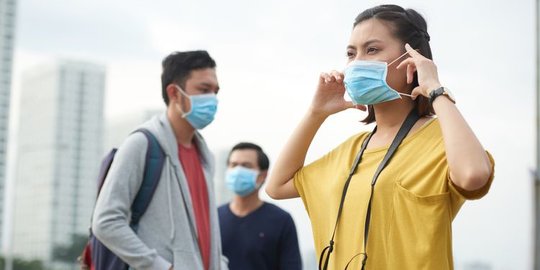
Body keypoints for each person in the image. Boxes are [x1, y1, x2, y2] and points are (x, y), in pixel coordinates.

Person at [266, 5, 495, 270]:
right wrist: (315, 114)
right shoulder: (352, 150)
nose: (357, 62)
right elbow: (277, 186)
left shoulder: (442, 140)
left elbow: (473, 175)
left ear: (412, 59)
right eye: (351, 53)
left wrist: (435, 89)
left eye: (372, 50)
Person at [92, 50, 228, 270]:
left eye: (215, 91)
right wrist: (161, 267)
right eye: (203, 90)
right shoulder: (142, 144)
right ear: (174, 93)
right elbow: (105, 221)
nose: (212, 99)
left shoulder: (205, 157)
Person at [218, 142, 302, 270]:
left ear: (262, 175)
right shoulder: (212, 217)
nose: (237, 171)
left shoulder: (281, 220)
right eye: (233, 165)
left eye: (246, 166)